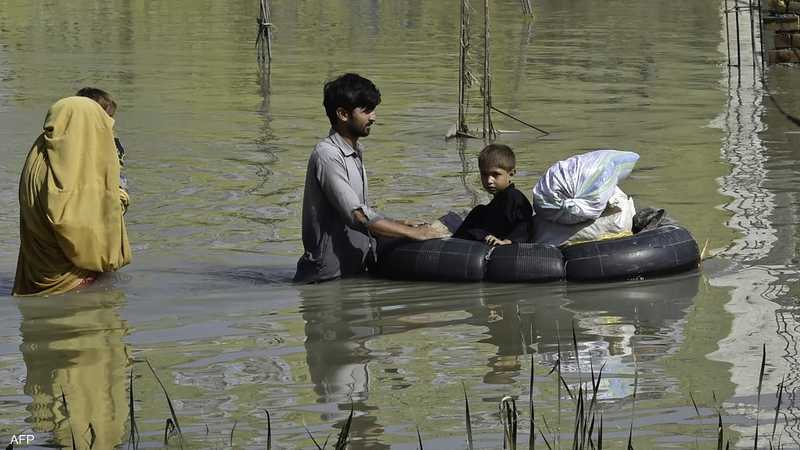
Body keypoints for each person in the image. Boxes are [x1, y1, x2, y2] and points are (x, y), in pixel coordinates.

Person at [295, 73, 446, 283]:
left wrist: (400, 223)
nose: (373, 117)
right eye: (366, 110)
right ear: (342, 114)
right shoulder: (327, 155)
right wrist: (415, 234)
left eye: (373, 109)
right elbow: (357, 215)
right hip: (325, 281)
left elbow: (361, 213)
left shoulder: (355, 150)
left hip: (352, 275)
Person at [12, 95, 132, 296]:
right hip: (72, 284)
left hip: (35, 276)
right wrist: (119, 196)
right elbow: (77, 227)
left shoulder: (39, 157)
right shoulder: (72, 170)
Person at [453, 144, 533, 245]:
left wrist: (506, 242)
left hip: (505, 246)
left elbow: (525, 224)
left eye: (495, 175)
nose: (489, 180)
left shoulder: (514, 197)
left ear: (511, 174)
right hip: (485, 241)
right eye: (484, 174)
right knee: (478, 211)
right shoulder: (487, 208)